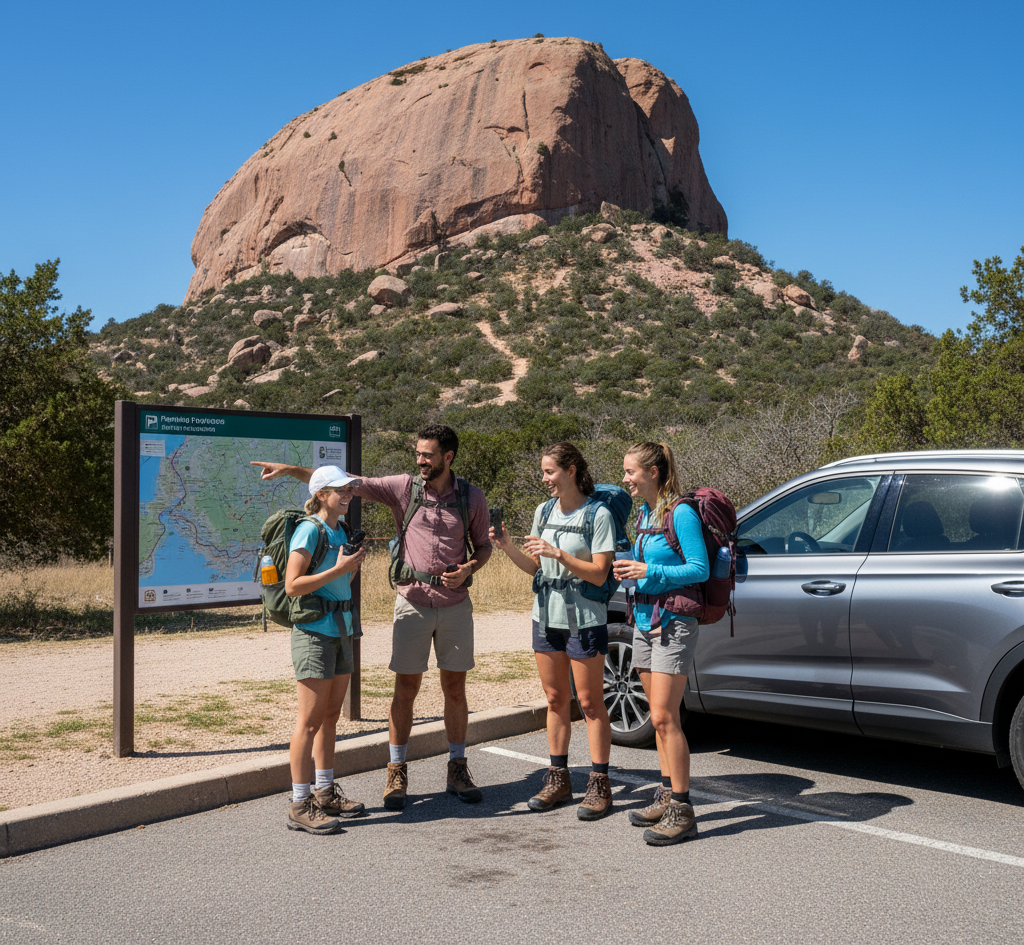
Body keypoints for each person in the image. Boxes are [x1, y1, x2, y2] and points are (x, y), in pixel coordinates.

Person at [253, 424, 492, 810]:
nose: (420, 460)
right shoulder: (403, 487)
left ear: (448, 457)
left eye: (428, 455)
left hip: (455, 605)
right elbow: (343, 484)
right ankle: (396, 770)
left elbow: (482, 547)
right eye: (418, 453)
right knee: (405, 689)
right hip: (411, 602)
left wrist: (469, 569)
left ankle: (457, 766)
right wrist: (291, 469)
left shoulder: (471, 497)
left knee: (455, 689)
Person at [489, 442, 616, 820]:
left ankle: (599, 784)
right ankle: (558, 778)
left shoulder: (599, 514)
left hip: (585, 619)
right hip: (546, 615)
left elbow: (599, 572)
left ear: (572, 469)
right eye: (543, 471)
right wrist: (507, 545)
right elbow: (535, 569)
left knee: (591, 704)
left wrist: (559, 553)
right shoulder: (543, 511)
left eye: (550, 471)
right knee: (556, 699)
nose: (544, 479)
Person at [613, 442, 709, 845]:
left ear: (653, 472)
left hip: (673, 623)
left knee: (668, 719)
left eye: (630, 471)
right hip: (644, 620)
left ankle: (683, 811)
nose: (625, 479)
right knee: (657, 717)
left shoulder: (680, 513)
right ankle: (667, 794)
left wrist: (647, 568)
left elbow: (699, 568)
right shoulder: (644, 514)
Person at [284, 465, 367, 834]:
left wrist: (349, 567)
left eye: (349, 489)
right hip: (314, 633)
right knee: (309, 720)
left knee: (331, 716)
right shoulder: (309, 530)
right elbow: (293, 585)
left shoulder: (340, 529)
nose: (347, 495)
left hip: (341, 629)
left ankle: (324, 792)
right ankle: (299, 803)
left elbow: (341, 582)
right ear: (321, 495)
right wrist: (341, 569)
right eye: (340, 490)